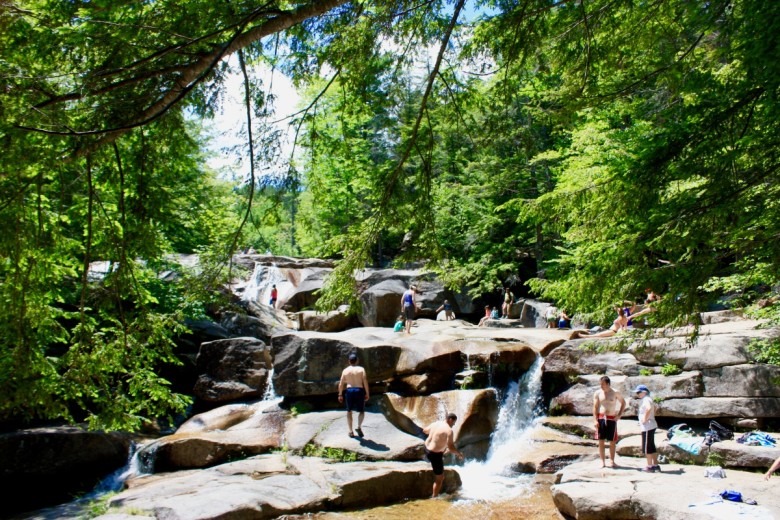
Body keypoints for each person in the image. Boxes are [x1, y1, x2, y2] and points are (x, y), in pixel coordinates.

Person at [423, 413, 464, 497]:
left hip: (426, 448)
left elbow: (425, 430)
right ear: (450, 420)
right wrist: (459, 454)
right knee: (440, 478)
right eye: (454, 423)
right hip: (434, 454)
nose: (453, 425)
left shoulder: (436, 423)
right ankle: (434, 497)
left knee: (443, 450)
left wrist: (435, 436)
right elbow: (451, 447)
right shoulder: (449, 430)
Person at [593, 375, 626, 468]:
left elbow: (623, 403)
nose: (601, 386)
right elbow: (595, 407)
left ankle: (612, 461)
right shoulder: (598, 393)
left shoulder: (615, 392)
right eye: (600, 384)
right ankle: (602, 462)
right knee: (601, 440)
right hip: (601, 417)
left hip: (612, 418)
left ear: (608, 384)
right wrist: (595, 420)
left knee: (612, 441)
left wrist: (619, 415)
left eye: (603, 384)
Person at [338, 352, 370, 438]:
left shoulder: (345, 370)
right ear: (357, 361)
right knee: (361, 411)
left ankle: (350, 431)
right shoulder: (361, 369)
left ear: (349, 361)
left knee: (349, 411)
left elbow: (341, 384)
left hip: (349, 390)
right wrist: (367, 393)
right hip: (359, 390)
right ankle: (358, 427)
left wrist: (340, 394)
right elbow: (365, 381)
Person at [635, 384, 660, 472]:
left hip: (648, 426)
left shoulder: (646, 399)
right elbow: (655, 408)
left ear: (644, 392)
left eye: (639, 392)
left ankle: (649, 466)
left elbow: (649, 408)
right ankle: (655, 464)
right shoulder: (648, 399)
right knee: (651, 446)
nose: (637, 394)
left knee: (647, 447)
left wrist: (644, 419)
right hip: (650, 425)